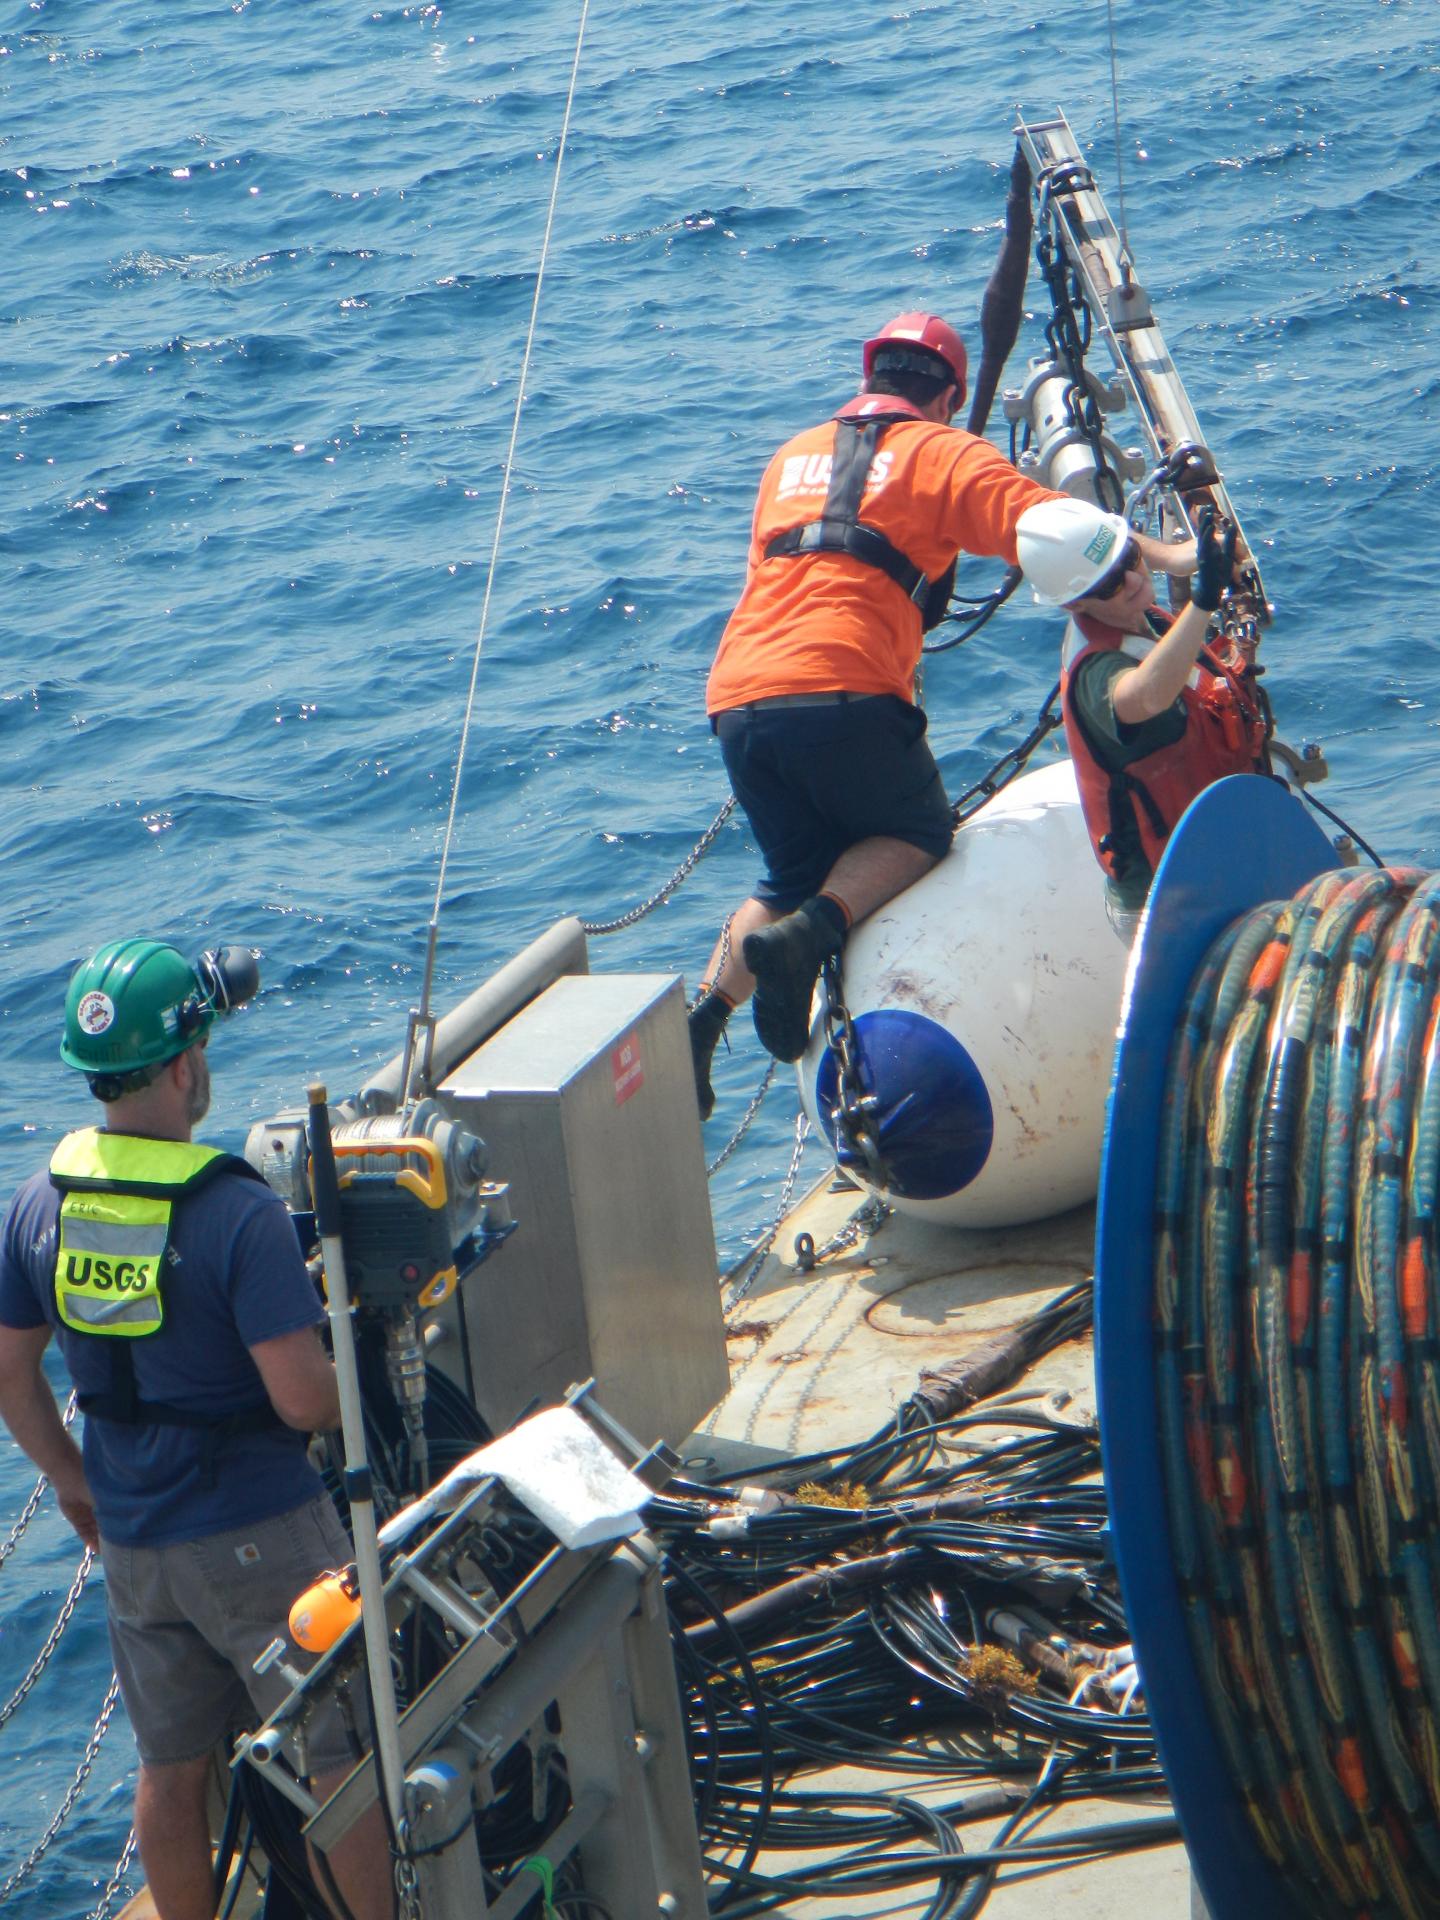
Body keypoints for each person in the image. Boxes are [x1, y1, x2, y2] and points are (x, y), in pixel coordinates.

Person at [0, 938, 393, 1920]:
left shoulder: (36, 1206)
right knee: (341, 1758)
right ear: (185, 1064)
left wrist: (68, 1478)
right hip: (264, 1535)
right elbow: (301, 1399)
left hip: (135, 1546)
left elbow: (10, 1370)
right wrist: (368, 1380)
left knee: (169, 1773)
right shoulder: (236, 1214)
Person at [688, 311, 1075, 1118]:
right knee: (918, 833)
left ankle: (705, 1018)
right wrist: (1149, 563)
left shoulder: (789, 456)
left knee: (786, 873)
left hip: (739, 697)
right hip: (846, 687)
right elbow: (1050, 529)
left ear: (871, 379)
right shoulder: (945, 450)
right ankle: (811, 934)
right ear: (949, 397)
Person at [1015, 495, 1267, 940]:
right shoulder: (1097, 671)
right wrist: (1203, 600)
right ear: (1074, 604)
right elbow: (1144, 698)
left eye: (1130, 560)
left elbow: (1125, 552)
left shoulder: (1136, 614)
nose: (1133, 580)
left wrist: (1197, 553)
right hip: (1166, 901)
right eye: (1111, 583)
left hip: (1213, 857)